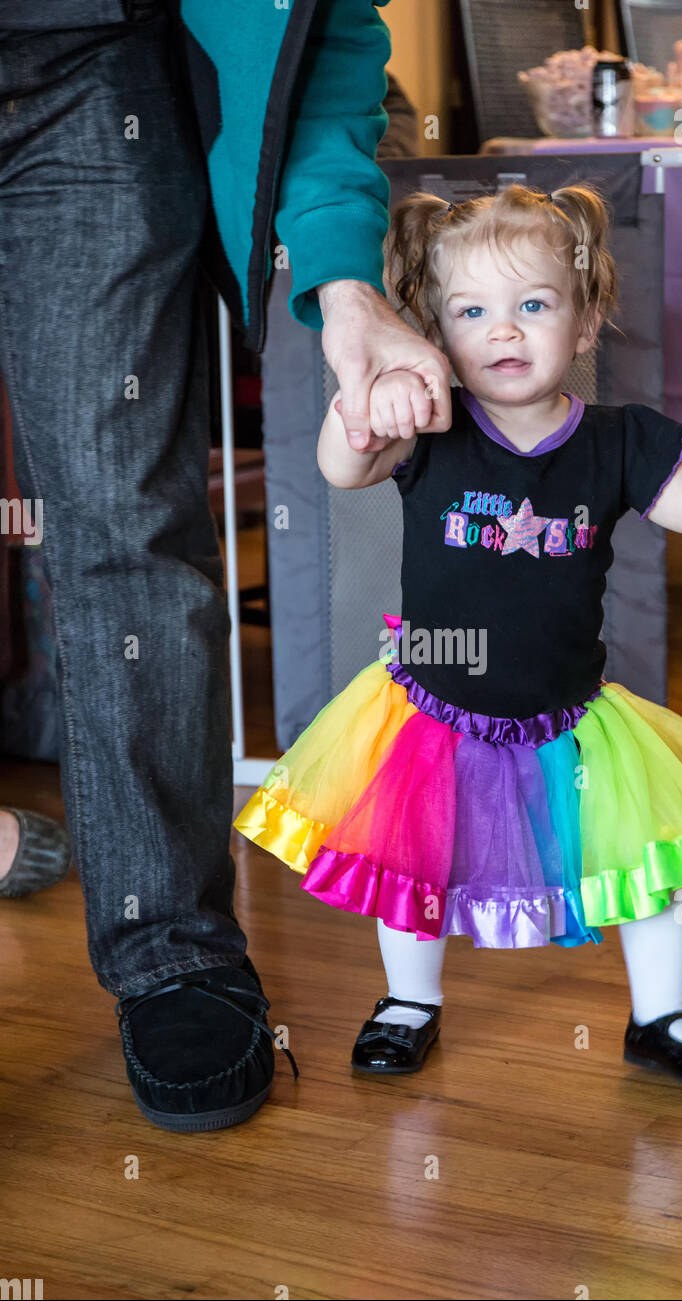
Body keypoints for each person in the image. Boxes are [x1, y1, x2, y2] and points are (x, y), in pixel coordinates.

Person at [0, 0, 450, 1133]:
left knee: (122, 515)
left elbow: (314, 26)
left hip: (91, 80)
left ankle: (172, 951)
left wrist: (347, 278)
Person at [235, 182, 682, 1090]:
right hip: (433, 709)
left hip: (569, 717)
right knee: (409, 860)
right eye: (473, 312)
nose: (503, 331)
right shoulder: (434, 423)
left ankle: (661, 1018)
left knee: (650, 866)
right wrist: (361, 398)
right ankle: (410, 1003)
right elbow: (343, 472)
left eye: (533, 306)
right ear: (439, 331)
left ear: (584, 322)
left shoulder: (621, 441)